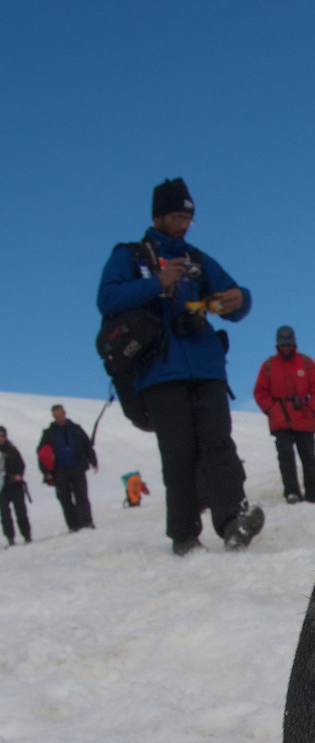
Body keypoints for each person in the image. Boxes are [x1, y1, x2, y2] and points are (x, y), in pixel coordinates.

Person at [97, 176, 264, 556]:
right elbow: (106, 298)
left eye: (188, 217)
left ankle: (231, 522)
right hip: (160, 371)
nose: (184, 224)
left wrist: (240, 300)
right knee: (178, 453)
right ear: (158, 216)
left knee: (219, 444)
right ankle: (185, 535)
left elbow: (238, 301)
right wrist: (157, 282)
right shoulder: (130, 256)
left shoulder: (199, 260)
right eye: (176, 216)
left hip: (207, 367)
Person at [253, 325, 315, 503]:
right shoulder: (269, 366)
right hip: (280, 420)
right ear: (278, 344)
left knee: (309, 458)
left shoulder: (306, 363)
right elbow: (260, 392)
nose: (286, 347)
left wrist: (313, 408)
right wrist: (271, 410)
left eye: (288, 344)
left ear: (294, 343)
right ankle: (292, 493)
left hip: (304, 418)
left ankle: (314, 495)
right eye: (283, 344)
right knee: (286, 458)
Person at [37, 405, 97, 532]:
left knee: (82, 496)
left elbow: (87, 445)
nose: (59, 417)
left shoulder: (76, 429)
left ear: (65, 413)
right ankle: (74, 525)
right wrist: (46, 472)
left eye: (61, 414)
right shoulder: (48, 433)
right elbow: (42, 453)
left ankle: (87, 522)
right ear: (53, 417)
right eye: (56, 416)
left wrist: (93, 461)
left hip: (77, 467)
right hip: (59, 472)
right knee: (65, 499)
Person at [0, 426, 32, 545]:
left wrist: (18, 475)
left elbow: (21, 464)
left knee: (21, 512)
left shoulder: (12, 450)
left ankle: (27, 535)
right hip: (2, 488)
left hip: (15, 485)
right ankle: (10, 538)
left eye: (2, 436)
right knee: (5, 514)